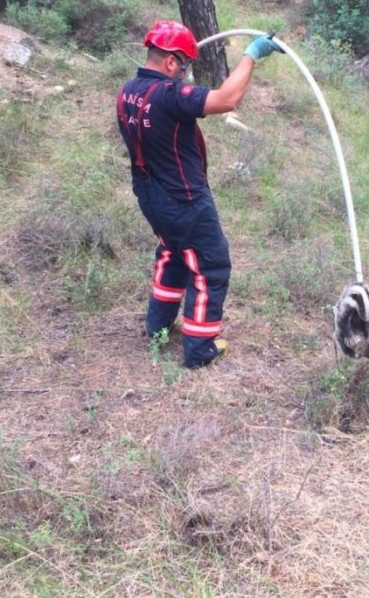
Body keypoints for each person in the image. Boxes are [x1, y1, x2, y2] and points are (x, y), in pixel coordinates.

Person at [117, 20, 283, 369]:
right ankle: (200, 348)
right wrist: (252, 55)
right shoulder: (169, 95)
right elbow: (227, 99)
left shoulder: (128, 91)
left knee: (175, 253)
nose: (186, 75)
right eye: (185, 67)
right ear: (170, 62)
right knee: (210, 265)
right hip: (184, 200)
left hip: (150, 196)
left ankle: (158, 328)